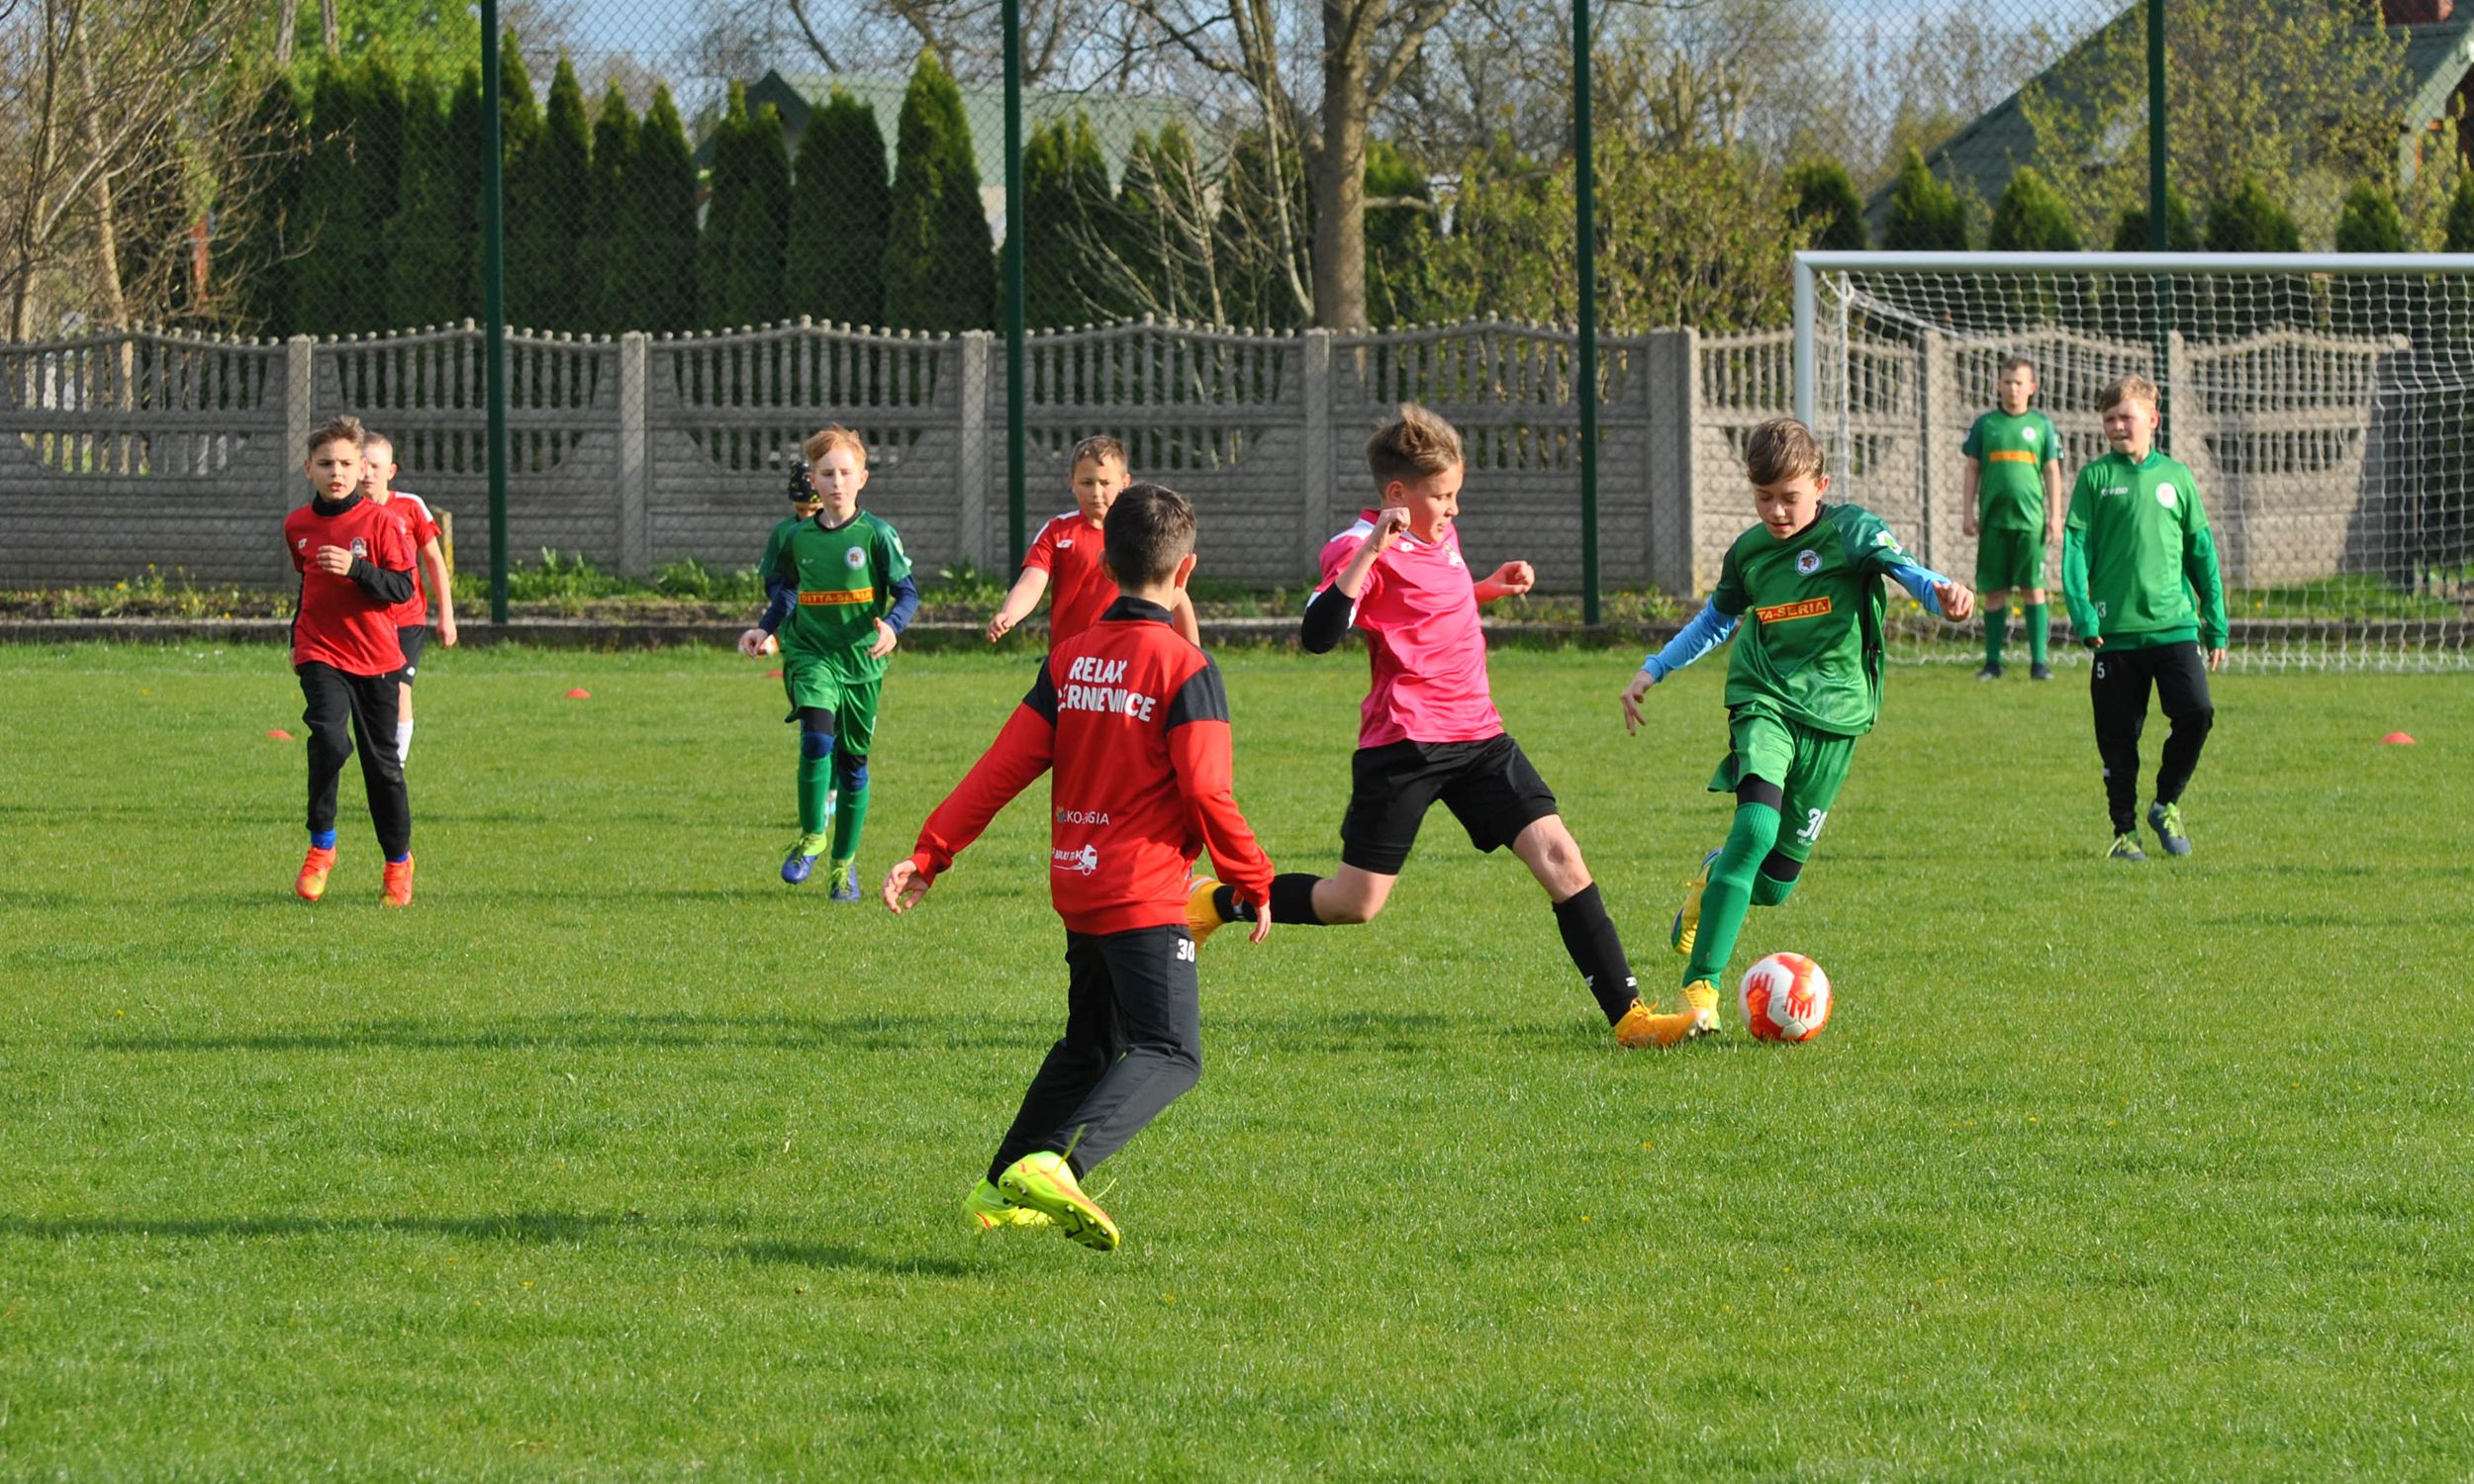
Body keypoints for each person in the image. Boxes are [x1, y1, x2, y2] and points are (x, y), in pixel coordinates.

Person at [1186, 403, 1656, 1047]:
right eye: (1443, 496)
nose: (1454, 509)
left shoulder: (1441, 534)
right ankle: (1220, 901)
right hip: (1405, 745)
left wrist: (1486, 587)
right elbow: (1318, 634)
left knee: (1562, 858)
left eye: (1457, 494)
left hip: (1481, 737)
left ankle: (1631, 1019)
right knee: (1357, 903)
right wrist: (1374, 549)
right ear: (1398, 495)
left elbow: (1428, 608)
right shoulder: (1354, 548)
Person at [884, 484, 1275, 1252]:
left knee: (1090, 1045)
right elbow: (1205, 787)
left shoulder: (1070, 659)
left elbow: (1003, 766)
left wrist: (934, 851)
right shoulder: (1187, 666)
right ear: (1185, 571)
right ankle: (1058, 1164)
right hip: (1143, 895)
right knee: (1170, 1051)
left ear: (1107, 560)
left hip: (1078, 881)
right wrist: (1252, 878)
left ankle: (997, 1187)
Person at [1619, 417, 1974, 1043]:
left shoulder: (1852, 531)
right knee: (1753, 826)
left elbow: (1905, 568)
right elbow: (1715, 621)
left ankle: (1710, 881)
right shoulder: (1749, 554)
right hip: (1764, 700)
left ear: (1821, 485)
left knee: (1776, 886)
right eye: (1765, 498)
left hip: (1837, 718)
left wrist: (1939, 590)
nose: (1778, 512)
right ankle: (1700, 990)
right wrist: (1653, 669)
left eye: (1790, 496)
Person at [737, 425, 919, 898]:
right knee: (817, 737)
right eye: (826, 473)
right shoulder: (798, 538)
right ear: (812, 482)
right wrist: (765, 628)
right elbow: (787, 592)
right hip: (811, 653)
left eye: (844, 472)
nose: (836, 481)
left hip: (861, 662)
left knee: (854, 764)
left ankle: (844, 865)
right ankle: (812, 835)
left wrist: (893, 626)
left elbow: (907, 591)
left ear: (863, 477)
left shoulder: (878, 535)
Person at [2060, 374, 2227, 862]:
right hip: (2113, 635)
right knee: (2119, 741)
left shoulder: (2177, 478)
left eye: (2125, 417)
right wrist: (2084, 614)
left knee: (2197, 713)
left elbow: (2202, 553)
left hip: (2175, 626)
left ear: (2152, 420)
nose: (2116, 426)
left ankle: (2167, 803)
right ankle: (2124, 834)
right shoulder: (2094, 479)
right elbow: (2075, 549)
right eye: (2109, 419)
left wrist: (2214, 621)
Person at [282, 415, 420, 906]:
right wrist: (297, 643)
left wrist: (357, 568)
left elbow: (402, 588)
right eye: (325, 464)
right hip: (321, 650)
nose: (336, 472)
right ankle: (321, 847)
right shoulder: (297, 525)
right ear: (308, 469)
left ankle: (397, 865)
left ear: (362, 467)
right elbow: (308, 585)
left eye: (344, 463)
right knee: (329, 738)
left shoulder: (383, 522)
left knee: (383, 768)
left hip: (378, 658)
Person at [987, 434, 1202, 648]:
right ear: (1072, 483)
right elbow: (1031, 583)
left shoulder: (1142, 530)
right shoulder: (1058, 531)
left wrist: (1195, 653)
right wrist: (1010, 614)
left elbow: (1176, 592)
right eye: (1087, 483)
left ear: (1125, 482)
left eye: (1105, 482)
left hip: (1129, 654)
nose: (1096, 493)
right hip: (1072, 657)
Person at [1962, 355, 2064, 680]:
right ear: (1998, 385)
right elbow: (1972, 469)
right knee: (1994, 591)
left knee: (2034, 589)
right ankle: (1992, 662)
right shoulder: (1986, 425)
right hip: (1993, 522)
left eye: (2019, 382)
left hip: (2031, 522)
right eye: (2007, 381)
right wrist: (1967, 512)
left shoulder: (2042, 426)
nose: (2013, 388)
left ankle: (2039, 662)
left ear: (2031, 387)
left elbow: (2052, 471)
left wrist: (2056, 515)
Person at [356, 433, 456, 764]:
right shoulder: (347, 511)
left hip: (407, 619)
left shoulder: (410, 506)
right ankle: (380, 761)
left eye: (376, 466)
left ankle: (393, 770)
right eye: (363, 465)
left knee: (400, 691)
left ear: (391, 470)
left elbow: (434, 561)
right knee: (370, 697)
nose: (368, 472)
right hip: (366, 621)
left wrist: (447, 615)